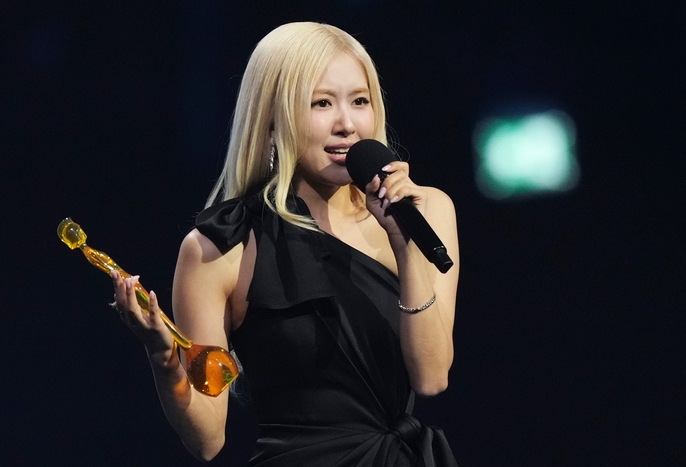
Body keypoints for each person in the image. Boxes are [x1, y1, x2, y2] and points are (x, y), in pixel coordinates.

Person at [111, 22, 460, 466]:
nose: (346, 124)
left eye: (359, 101)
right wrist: (164, 358)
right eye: (321, 103)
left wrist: (404, 242)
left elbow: (431, 378)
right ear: (273, 120)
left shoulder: (426, 210)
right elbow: (207, 440)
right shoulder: (220, 249)